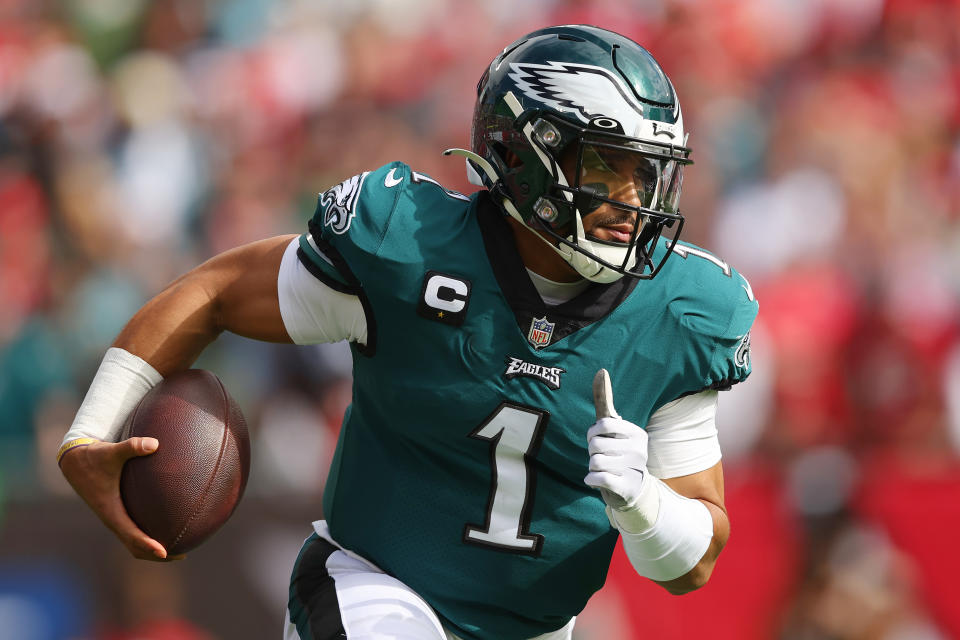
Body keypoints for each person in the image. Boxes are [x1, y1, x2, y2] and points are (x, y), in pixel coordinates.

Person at [58, 25, 758, 640]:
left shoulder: (683, 310)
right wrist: (92, 428)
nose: (634, 202)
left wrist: (643, 502)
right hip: (373, 589)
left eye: (649, 173)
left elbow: (692, 563)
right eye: (608, 165)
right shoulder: (408, 247)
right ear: (523, 153)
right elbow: (212, 293)